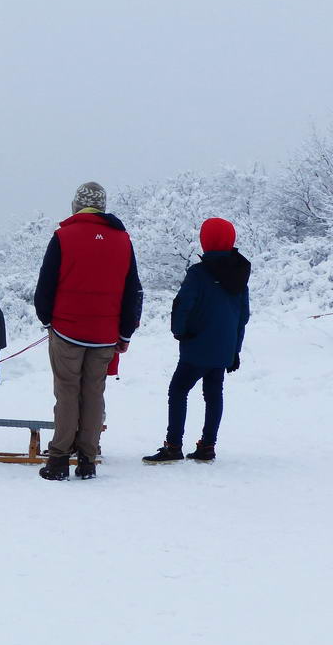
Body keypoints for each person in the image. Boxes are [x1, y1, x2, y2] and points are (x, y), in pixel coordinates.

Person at [34, 182, 142, 481]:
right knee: (94, 394)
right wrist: (124, 332)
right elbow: (132, 289)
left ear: (76, 205)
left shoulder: (63, 236)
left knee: (67, 393)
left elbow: (46, 285)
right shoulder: (123, 240)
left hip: (67, 329)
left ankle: (58, 460)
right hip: (105, 334)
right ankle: (87, 460)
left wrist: (47, 319)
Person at [144, 218, 251, 464]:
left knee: (178, 390)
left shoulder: (198, 273)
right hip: (224, 347)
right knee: (214, 394)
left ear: (206, 241)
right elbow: (243, 316)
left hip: (197, 346)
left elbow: (182, 306)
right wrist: (234, 350)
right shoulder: (240, 274)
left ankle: (173, 446)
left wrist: (179, 331)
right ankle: (207, 446)